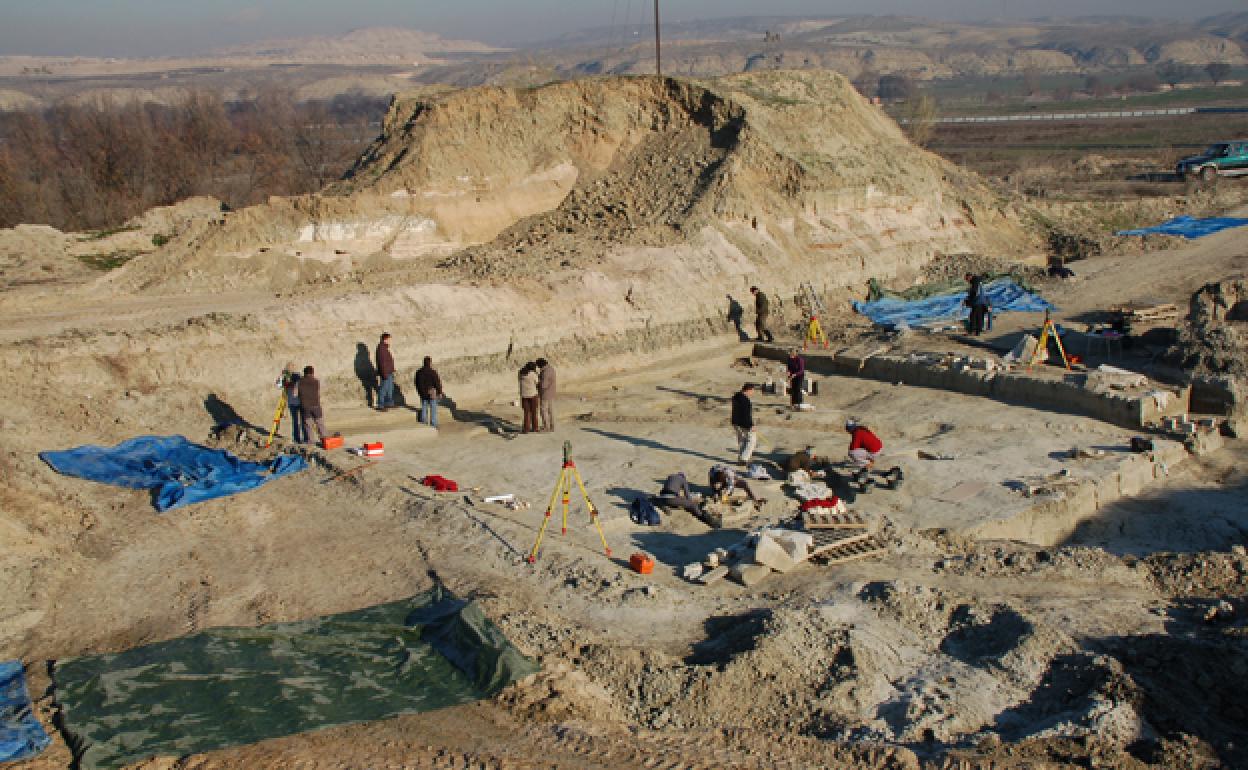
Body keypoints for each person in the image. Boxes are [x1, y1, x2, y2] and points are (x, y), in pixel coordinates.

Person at [297, 365, 327, 444]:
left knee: (308, 425)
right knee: (320, 423)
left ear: (304, 373)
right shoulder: (316, 381)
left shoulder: (300, 382)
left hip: (305, 406)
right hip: (315, 404)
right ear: (312, 373)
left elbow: (296, 393)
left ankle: (310, 441)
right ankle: (324, 440)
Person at [731, 382, 757, 464]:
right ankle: (744, 459)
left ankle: (741, 458)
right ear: (748, 390)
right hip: (743, 423)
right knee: (751, 440)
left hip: (735, 422)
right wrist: (751, 425)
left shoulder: (736, 396)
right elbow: (746, 415)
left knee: (742, 441)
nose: (753, 392)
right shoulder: (745, 401)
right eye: (753, 390)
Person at [280, 362, 306, 444]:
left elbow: (300, 385)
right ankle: (297, 438)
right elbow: (279, 385)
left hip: (299, 402)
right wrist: (281, 376)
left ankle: (304, 438)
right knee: (296, 421)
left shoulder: (297, 377)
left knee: (302, 421)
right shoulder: (286, 378)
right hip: (293, 403)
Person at [414, 356, 443, 429]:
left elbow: (416, 383)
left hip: (423, 392)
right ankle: (433, 424)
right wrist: (440, 392)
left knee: (424, 406)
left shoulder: (419, 372)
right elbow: (437, 383)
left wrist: (420, 392)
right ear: (430, 363)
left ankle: (423, 423)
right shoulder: (432, 372)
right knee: (433, 408)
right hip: (431, 392)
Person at [375, 332, 396, 411]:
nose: (390, 341)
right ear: (385, 339)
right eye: (389, 339)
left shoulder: (384, 348)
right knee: (383, 388)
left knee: (390, 388)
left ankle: (389, 403)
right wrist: (384, 373)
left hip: (389, 371)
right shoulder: (381, 349)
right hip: (385, 372)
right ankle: (380, 405)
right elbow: (382, 362)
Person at [518, 362, 540, 434]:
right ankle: (535, 428)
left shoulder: (520, 373)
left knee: (526, 413)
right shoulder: (533, 374)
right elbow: (537, 383)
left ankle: (526, 429)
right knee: (534, 412)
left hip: (524, 395)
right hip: (533, 395)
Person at [536, 357, 557, 432]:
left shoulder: (545, 372)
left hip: (545, 394)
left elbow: (543, 385)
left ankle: (546, 427)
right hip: (552, 393)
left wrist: (537, 384)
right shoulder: (551, 368)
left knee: (543, 410)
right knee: (551, 411)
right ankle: (552, 426)